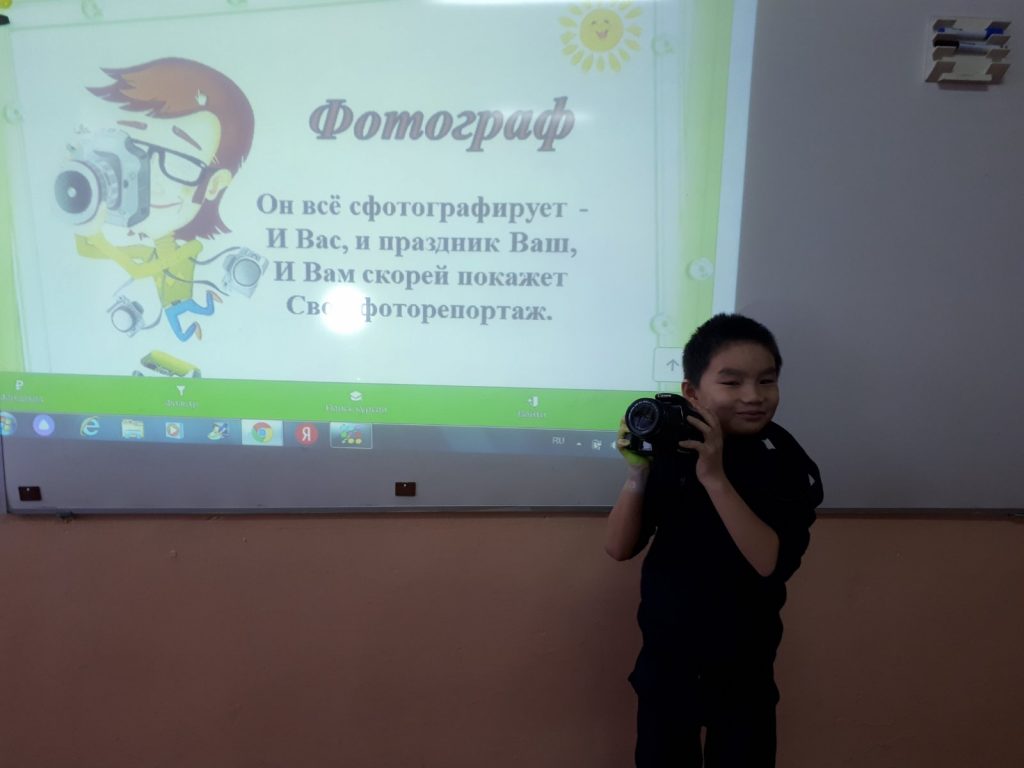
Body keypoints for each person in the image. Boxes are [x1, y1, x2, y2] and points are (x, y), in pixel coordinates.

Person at [605, 313, 823, 768]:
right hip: (666, 669)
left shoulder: (784, 462)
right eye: (731, 382)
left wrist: (715, 478)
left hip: (743, 674)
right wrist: (636, 475)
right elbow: (619, 548)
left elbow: (769, 563)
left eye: (766, 381)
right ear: (692, 392)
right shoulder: (676, 448)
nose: (753, 396)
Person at [73, 57, 255, 342]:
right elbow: (87, 251)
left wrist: (100, 237)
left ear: (214, 184)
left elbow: (138, 269)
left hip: (172, 308)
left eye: (181, 162)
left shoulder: (187, 250)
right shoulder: (148, 249)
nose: (149, 180)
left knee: (180, 320)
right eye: (131, 152)